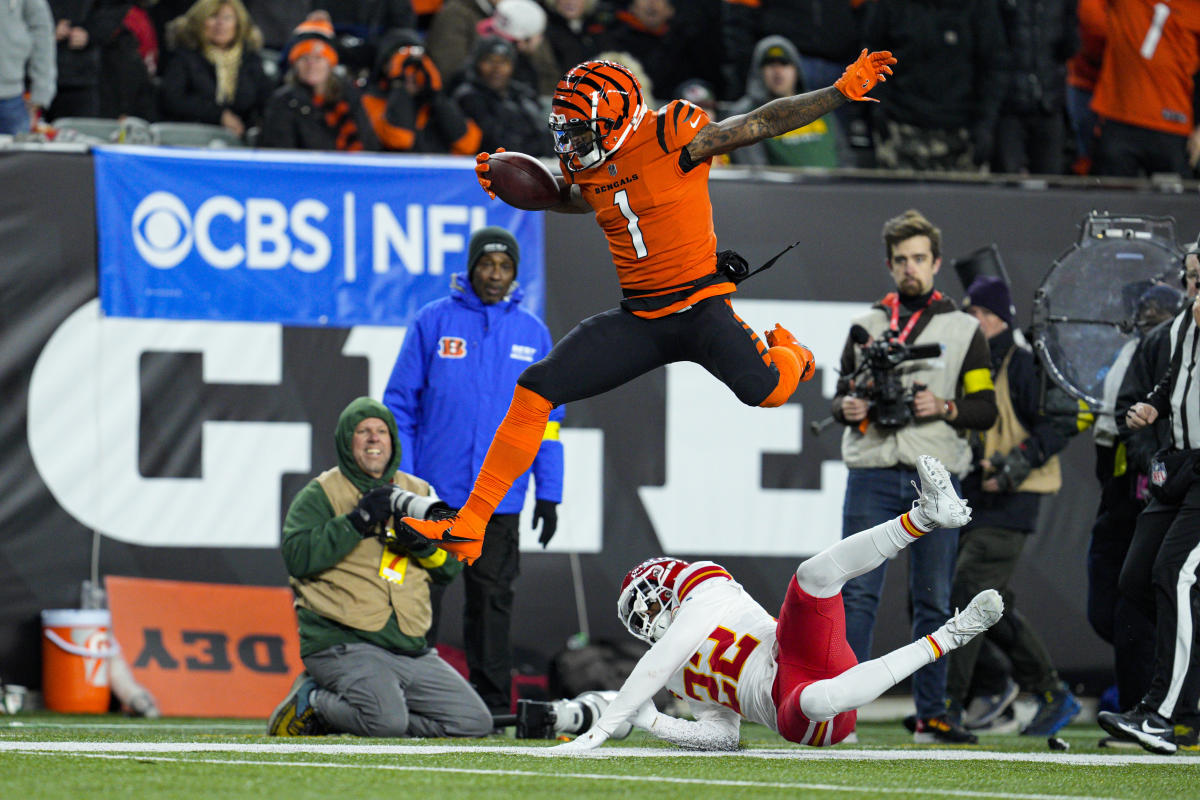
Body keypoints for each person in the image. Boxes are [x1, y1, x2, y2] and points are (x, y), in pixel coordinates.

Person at [399, 51, 897, 563]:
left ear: (615, 117)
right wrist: (529, 190)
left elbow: (761, 121)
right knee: (535, 388)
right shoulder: (591, 163)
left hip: (700, 307)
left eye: (579, 131)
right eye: (565, 131)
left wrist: (838, 93)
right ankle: (471, 523)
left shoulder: (672, 134)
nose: (570, 143)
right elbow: (582, 195)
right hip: (641, 316)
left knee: (768, 391)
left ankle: (794, 353)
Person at [548, 455, 1004, 752]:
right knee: (814, 700)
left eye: (647, 605)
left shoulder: (706, 588)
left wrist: (608, 723)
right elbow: (722, 736)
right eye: (640, 617)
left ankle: (925, 515)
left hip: (796, 650)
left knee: (812, 576)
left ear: (665, 586)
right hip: (792, 710)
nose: (648, 618)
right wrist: (652, 722)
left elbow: (667, 652)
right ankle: (951, 635)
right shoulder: (676, 680)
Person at [830, 209, 998, 743]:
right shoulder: (867, 326)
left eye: (919, 258)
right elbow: (839, 398)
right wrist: (848, 409)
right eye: (901, 260)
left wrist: (945, 406)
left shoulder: (965, 329)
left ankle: (932, 714)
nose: (910, 268)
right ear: (889, 265)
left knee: (933, 595)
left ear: (937, 263)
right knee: (856, 593)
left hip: (936, 478)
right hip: (873, 468)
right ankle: (840, 711)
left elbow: (984, 408)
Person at [383, 227, 564, 716]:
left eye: (505, 267)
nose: (495, 275)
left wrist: (550, 492)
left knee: (492, 602)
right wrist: (409, 483)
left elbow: (546, 423)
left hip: (499, 500)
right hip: (435, 496)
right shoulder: (433, 321)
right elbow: (399, 405)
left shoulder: (533, 333)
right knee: (420, 595)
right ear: (471, 267)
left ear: (514, 274)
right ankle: (406, 696)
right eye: (487, 264)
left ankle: (488, 703)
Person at [267, 396, 493, 738]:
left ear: (393, 441)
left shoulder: (418, 491)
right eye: (363, 431)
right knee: (385, 723)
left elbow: (450, 568)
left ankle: (347, 712)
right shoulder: (321, 493)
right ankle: (311, 699)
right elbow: (297, 558)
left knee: (473, 723)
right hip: (344, 642)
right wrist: (358, 521)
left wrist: (421, 544)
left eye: (381, 431)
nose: (374, 439)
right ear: (347, 440)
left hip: (409, 648)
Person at [944, 276, 1085, 736]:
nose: (969, 322)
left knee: (967, 588)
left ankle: (951, 704)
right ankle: (1048, 691)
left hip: (1014, 498)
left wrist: (1013, 465)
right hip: (978, 495)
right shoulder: (983, 362)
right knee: (989, 601)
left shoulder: (1023, 364)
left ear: (992, 318)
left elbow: (1062, 422)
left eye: (975, 314)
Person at [1100, 285, 1200, 754]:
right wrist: (1153, 407)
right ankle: (1173, 703)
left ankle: (1162, 714)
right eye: (1193, 277)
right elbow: (1171, 381)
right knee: (1138, 578)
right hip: (1176, 464)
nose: (1197, 288)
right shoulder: (1179, 327)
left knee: (1175, 575)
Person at [864, 0, 1005, 172]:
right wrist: (878, 107)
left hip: (962, 134)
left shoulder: (978, 7)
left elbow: (994, 66)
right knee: (899, 198)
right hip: (900, 128)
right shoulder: (891, 6)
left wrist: (985, 124)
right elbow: (871, 55)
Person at [1090, 0, 1200, 178]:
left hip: (1173, 124)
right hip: (1121, 117)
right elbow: (1090, 17)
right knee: (1111, 200)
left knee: (1175, 204)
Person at [158, 0, 274, 140]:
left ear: (238, 24)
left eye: (227, 18)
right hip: (191, 138)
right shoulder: (183, 57)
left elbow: (266, 100)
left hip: (241, 140)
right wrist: (219, 115)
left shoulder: (250, 59)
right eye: (213, 16)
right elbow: (172, 100)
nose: (220, 24)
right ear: (199, 22)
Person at [260, 15, 375, 151]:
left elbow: (370, 144)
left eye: (318, 58)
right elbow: (281, 153)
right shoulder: (283, 101)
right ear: (295, 65)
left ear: (330, 64)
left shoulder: (350, 96)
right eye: (304, 58)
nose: (311, 65)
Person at [726, 36, 842, 168]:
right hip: (782, 188)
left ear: (796, 69)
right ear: (758, 71)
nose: (778, 72)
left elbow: (845, 158)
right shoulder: (745, 115)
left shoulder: (820, 104)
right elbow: (756, 173)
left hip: (834, 187)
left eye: (784, 63)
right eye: (770, 64)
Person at [990, 0, 1077, 175]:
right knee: (1006, 182)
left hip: (1049, 102)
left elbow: (1071, 43)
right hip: (1008, 105)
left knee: (1052, 181)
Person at [361, 40, 482, 154]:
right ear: (384, 67)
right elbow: (399, 139)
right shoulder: (371, 99)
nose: (411, 74)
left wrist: (436, 94)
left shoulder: (436, 105)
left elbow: (468, 145)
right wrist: (399, 84)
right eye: (404, 66)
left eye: (417, 67)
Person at [452, 35, 552, 157]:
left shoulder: (522, 95)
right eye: (489, 61)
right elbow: (494, 142)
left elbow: (545, 138)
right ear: (477, 63)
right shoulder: (467, 97)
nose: (497, 68)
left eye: (503, 62)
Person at [0, 0, 56, 135]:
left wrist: (42, 89)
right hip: (10, 99)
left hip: (9, 97)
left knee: (17, 155)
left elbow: (41, 30)